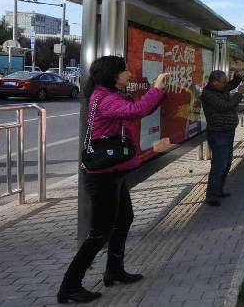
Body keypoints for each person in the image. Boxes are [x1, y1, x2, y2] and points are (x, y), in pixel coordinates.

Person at [58, 56, 169, 304]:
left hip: (113, 172)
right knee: (99, 234)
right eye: (125, 70)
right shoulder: (104, 98)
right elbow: (137, 111)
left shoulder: (110, 94)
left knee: (124, 219)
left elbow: (137, 111)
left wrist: (156, 93)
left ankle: (114, 270)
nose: (130, 74)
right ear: (113, 75)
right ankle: (70, 286)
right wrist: (156, 89)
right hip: (102, 176)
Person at [200, 70, 244, 207]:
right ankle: (211, 196)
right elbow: (224, 107)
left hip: (227, 131)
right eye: (223, 81)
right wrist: (239, 94)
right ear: (214, 82)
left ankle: (218, 190)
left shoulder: (219, 89)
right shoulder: (208, 94)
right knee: (219, 165)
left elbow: (229, 86)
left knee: (226, 164)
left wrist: (237, 78)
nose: (225, 84)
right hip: (218, 133)